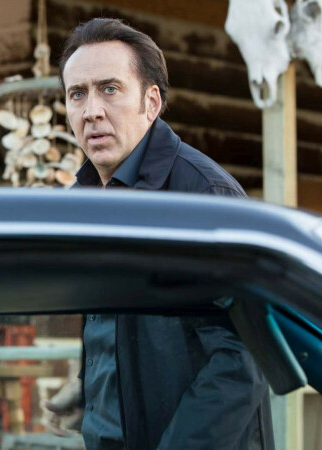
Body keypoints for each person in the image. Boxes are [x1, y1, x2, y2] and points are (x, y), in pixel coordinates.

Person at [42, 18, 273, 450]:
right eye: (78, 94)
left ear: (151, 103)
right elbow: (122, 330)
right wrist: (93, 387)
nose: (91, 111)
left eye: (110, 89)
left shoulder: (202, 196)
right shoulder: (85, 202)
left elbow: (242, 361)